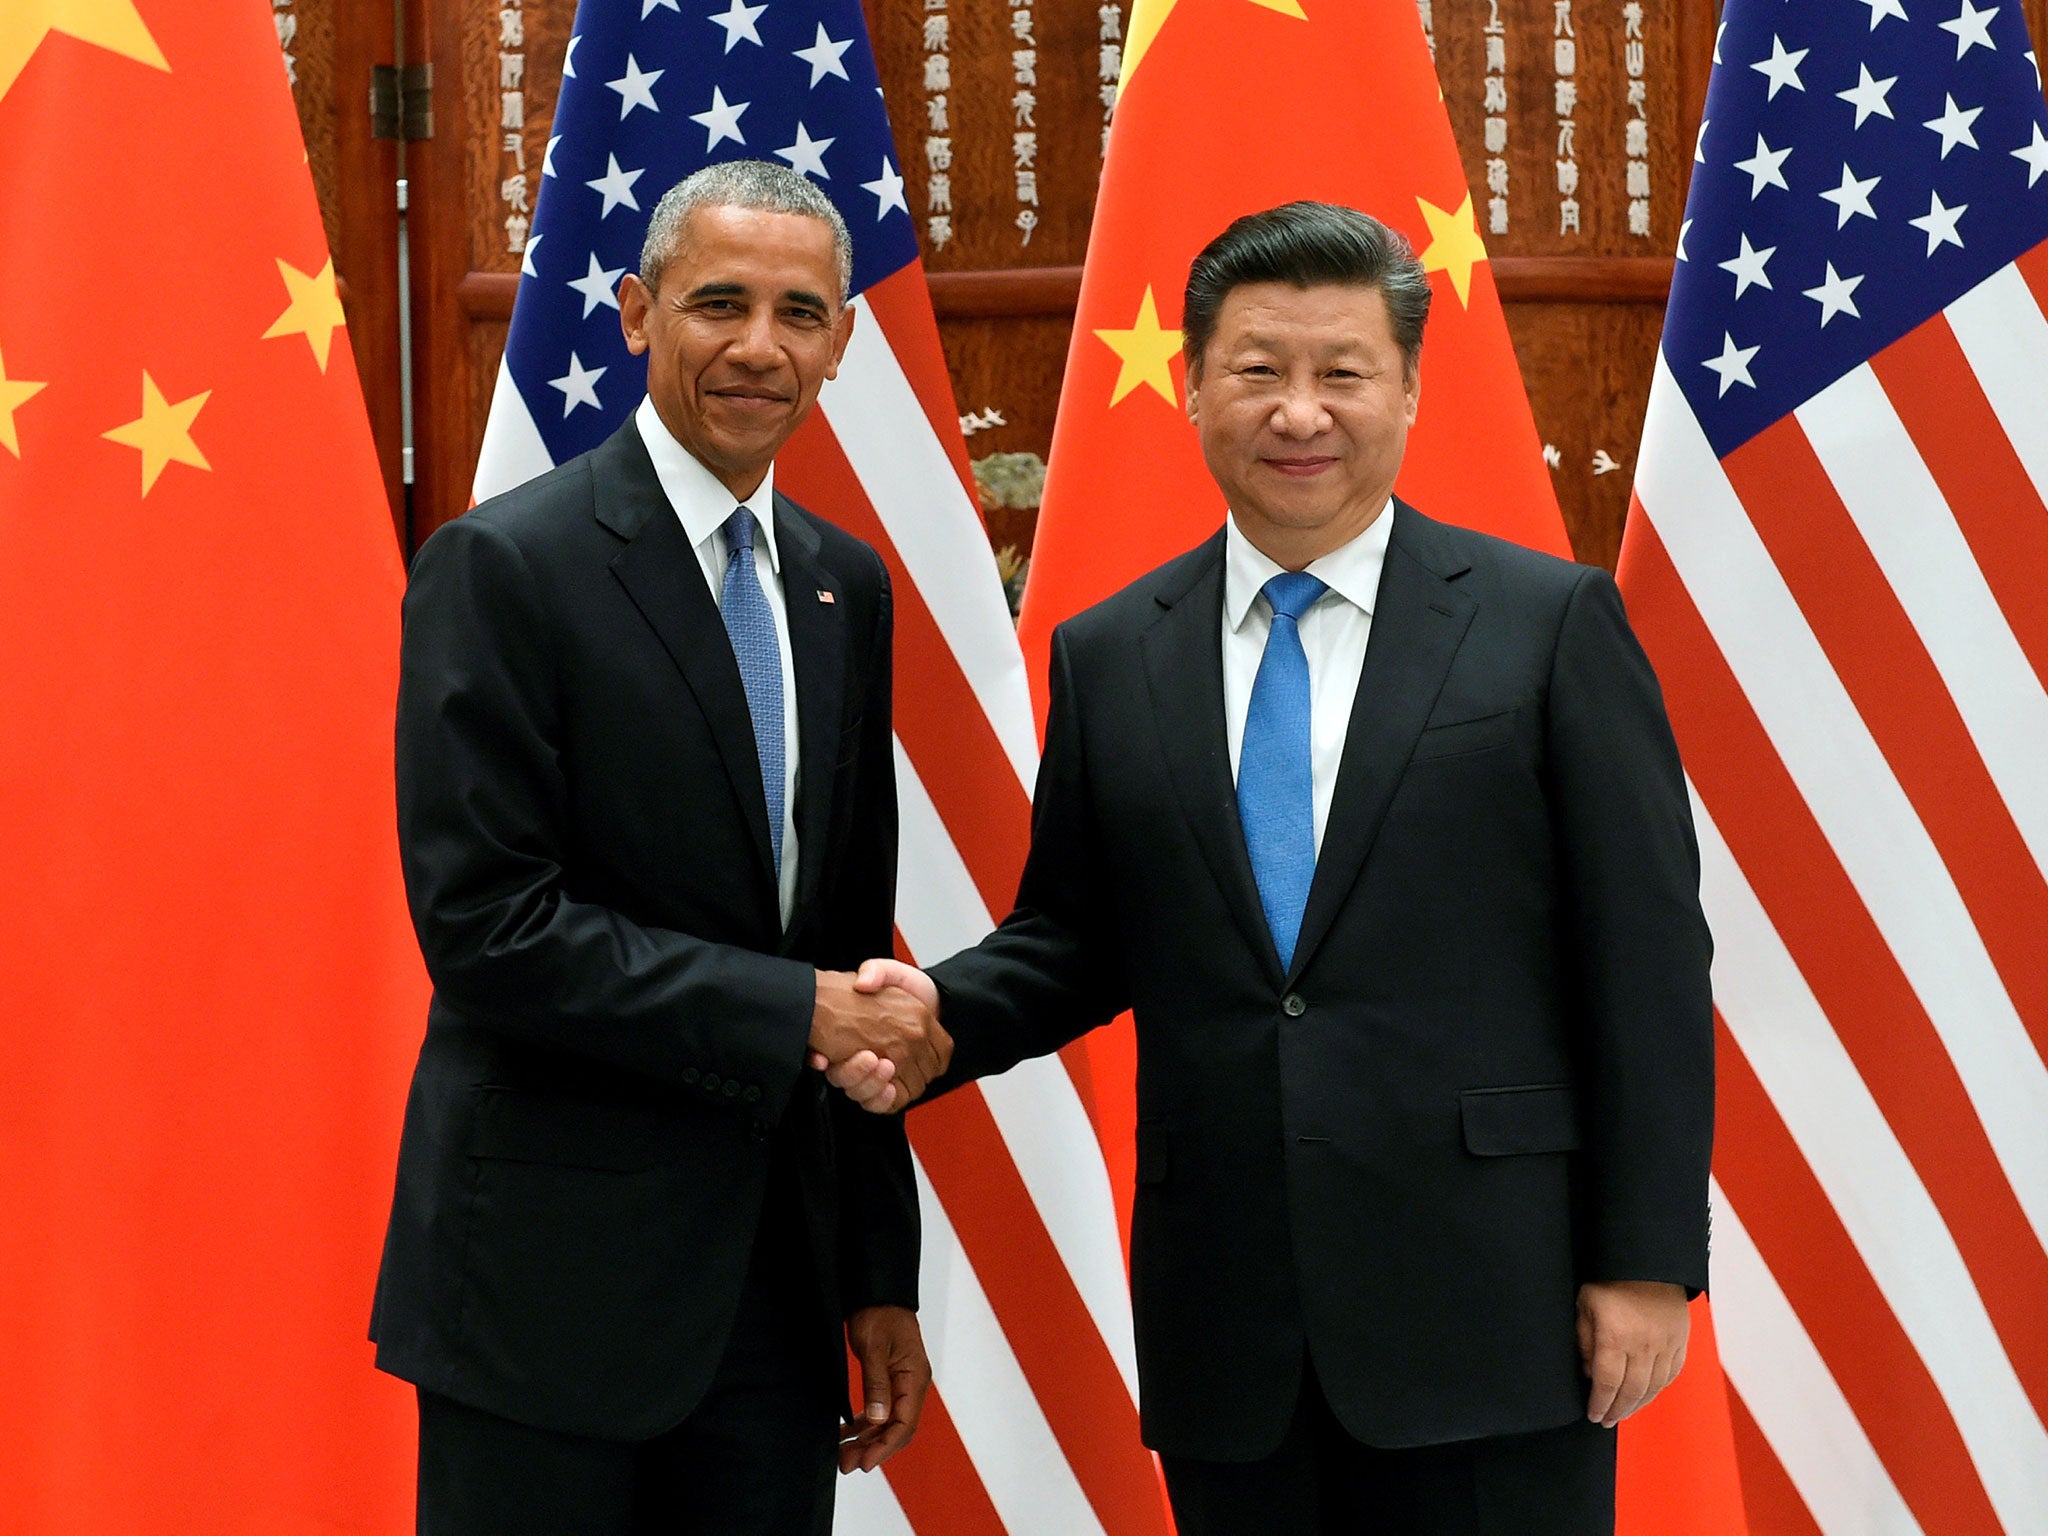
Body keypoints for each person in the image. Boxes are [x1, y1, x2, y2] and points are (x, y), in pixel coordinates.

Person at [837, 202, 1714, 1534]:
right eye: (1258, 370)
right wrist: (936, 1018)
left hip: (1493, 1307)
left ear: (1409, 389)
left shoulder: (1546, 629)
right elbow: (1079, 933)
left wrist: (1646, 1263)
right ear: (1191, 386)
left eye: (1340, 372)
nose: (1299, 411)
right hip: (1232, 1324)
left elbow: (1647, 965)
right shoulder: (1113, 650)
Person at [369, 160, 950, 1536]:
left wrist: (877, 1272)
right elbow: (489, 932)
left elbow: (846, 946)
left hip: (774, 1294)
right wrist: (795, 1010)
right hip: (546, 1299)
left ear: (842, 341)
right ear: (637, 314)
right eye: (720, 303)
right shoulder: (505, 567)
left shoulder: (842, 585)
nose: (761, 347)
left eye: (801, 312)